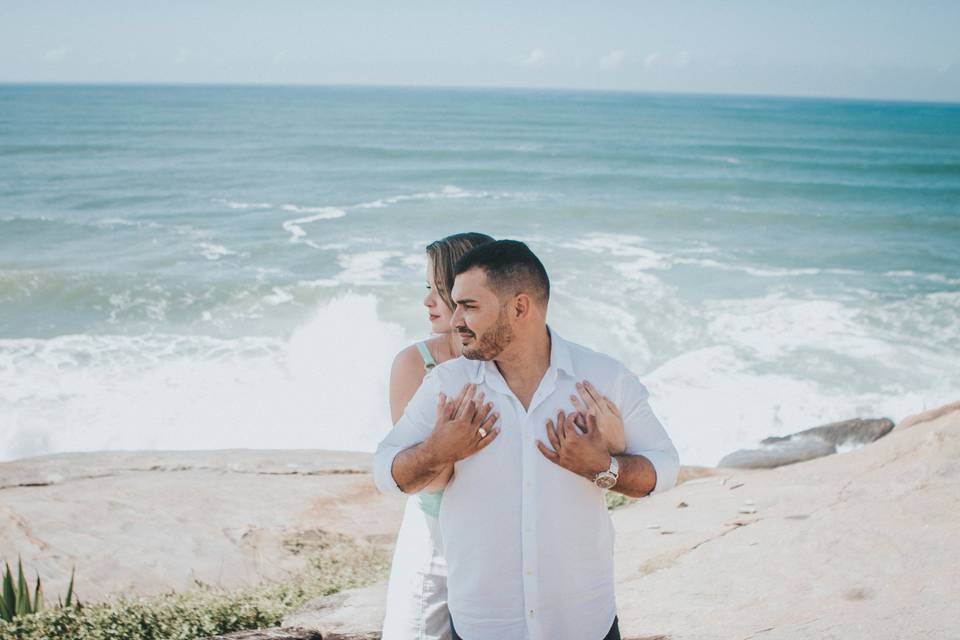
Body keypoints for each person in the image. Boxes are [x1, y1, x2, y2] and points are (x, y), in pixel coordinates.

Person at [375, 239, 679, 640]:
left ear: (519, 308)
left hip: (583, 623)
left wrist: (604, 467)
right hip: (482, 625)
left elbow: (664, 469)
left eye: (469, 307)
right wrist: (438, 450)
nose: (454, 322)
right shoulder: (447, 385)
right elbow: (385, 471)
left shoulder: (604, 378)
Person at [381, 232, 494, 640]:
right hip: (434, 543)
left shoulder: (509, 362)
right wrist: (447, 447)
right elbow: (423, 479)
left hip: (495, 537)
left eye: (440, 289)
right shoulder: (415, 363)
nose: (427, 301)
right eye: (427, 287)